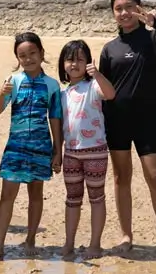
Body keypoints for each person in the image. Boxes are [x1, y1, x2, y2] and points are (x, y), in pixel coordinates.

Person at [100, 0, 156, 255]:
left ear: (138, 8)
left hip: (147, 120)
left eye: (128, 7)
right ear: (113, 13)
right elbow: (102, 89)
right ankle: (126, 235)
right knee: (121, 177)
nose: (124, 13)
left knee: (155, 176)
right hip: (117, 121)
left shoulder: (151, 40)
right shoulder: (109, 49)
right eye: (118, 9)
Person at [0, 32, 62, 261]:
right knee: (7, 195)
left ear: (41, 53)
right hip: (15, 147)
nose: (28, 59)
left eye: (32, 54)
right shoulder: (14, 81)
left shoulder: (52, 85)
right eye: (22, 56)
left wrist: (58, 150)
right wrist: (1, 93)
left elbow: (55, 119)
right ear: (17, 58)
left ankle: (30, 238)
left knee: (35, 194)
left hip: (40, 147)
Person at [57, 40, 116, 260]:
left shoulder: (94, 86)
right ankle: (69, 243)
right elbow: (60, 125)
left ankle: (95, 244)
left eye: (80, 59)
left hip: (96, 151)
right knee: (72, 198)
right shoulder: (62, 93)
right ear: (63, 64)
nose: (75, 64)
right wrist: (58, 153)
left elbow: (111, 94)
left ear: (88, 63)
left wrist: (97, 74)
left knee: (96, 198)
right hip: (71, 153)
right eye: (70, 59)